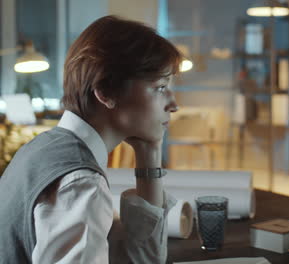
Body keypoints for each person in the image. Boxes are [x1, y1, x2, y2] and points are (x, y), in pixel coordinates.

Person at [0, 15, 182, 263]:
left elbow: (143, 259)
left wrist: (150, 152)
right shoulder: (81, 184)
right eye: (160, 87)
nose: (173, 104)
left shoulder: (42, 147)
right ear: (106, 92)